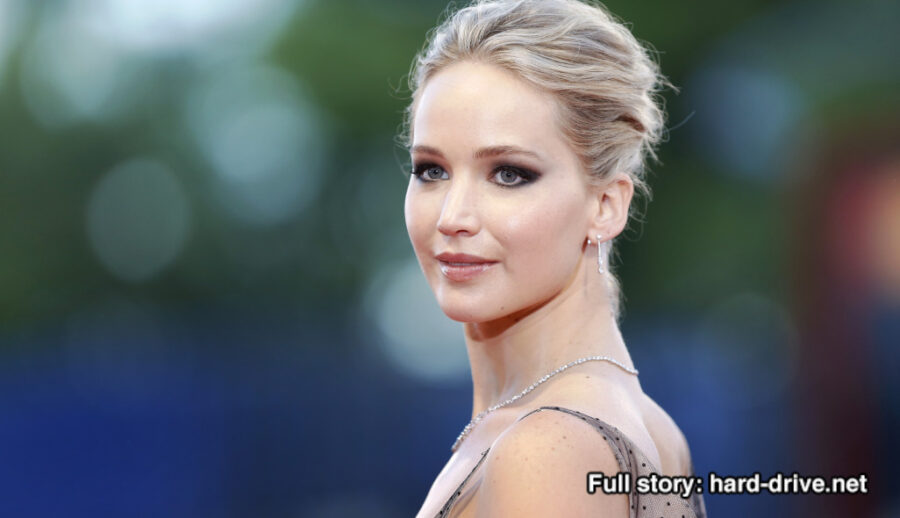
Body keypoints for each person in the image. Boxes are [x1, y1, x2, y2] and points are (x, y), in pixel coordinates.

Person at [401, 1, 708, 516]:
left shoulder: (546, 449)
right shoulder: (653, 428)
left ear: (605, 205)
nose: (453, 217)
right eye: (432, 170)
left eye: (509, 174)